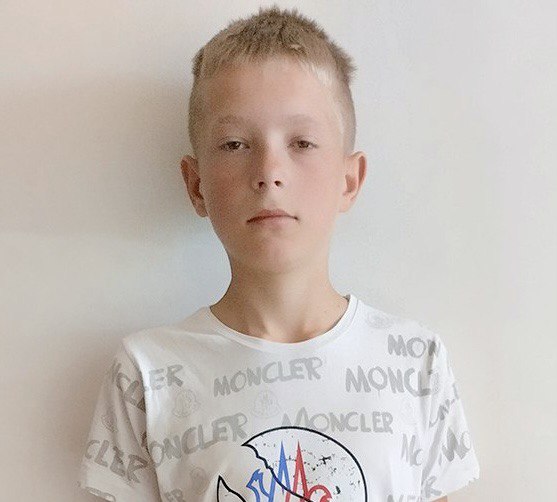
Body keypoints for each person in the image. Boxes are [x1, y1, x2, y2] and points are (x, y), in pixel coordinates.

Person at [77, 5, 480, 501]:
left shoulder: (416, 361)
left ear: (349, 180)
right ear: (197, 184)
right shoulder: (146, 372)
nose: (269, 172)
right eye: (234, 144)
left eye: (302, 142)